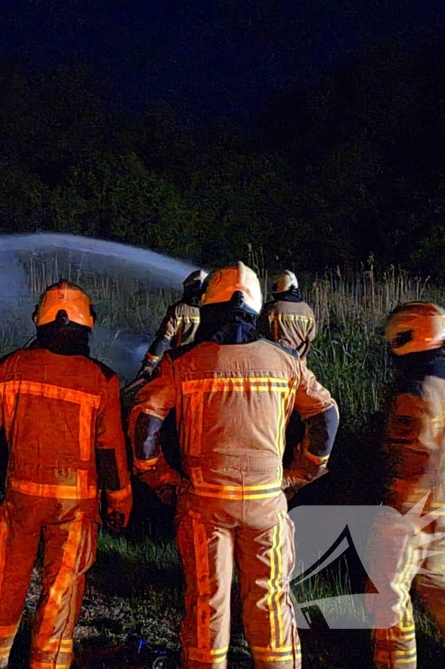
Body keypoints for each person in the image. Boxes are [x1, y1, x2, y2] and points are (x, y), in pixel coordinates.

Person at [128, 261, 339, 669]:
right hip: (266, 505)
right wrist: (303, 472)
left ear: (209, 309)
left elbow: (144, 420)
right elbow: (325, 415)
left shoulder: (184, 363)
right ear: (256, 309)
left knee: (208, 600)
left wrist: (159, 477)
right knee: (271, 601)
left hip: (203, 505)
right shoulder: (285, 362)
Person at [0, 279, 133, 669]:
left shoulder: (12, 365)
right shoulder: (102, 379)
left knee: (4, 586)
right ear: (85, 328)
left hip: (22, 499)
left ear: (40, 324)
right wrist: (120, 500)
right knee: (61, 592)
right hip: (75, 507)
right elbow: (109, 449)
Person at [369, 302, 445, 669]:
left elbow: (405, 455)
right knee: (442, 588)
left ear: (406, 336)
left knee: (386, 597)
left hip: (413, 511)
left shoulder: (415, 392)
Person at [135, 269, 208, 381]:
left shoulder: (179, 310)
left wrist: (149, 365)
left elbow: (164, 339)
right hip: (205, 370)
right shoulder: (213, 312)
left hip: (180, 366)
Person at [259, 270, 317, 361]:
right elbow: (311, 336)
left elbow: (260, 331)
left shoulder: (272, 308)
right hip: (300, 363)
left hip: (278, 361)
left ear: (279, 286)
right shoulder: (307, 309)